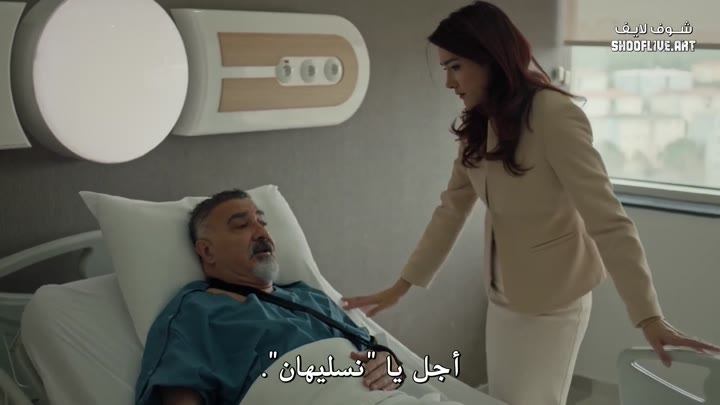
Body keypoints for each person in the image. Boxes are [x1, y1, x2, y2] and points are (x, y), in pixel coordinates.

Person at [341, 2, 720, 405]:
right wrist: (401, 287)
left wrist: (648, 316)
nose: (449, 82)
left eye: (456, 67)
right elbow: (451, 209)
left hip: (554, 301)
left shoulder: (553, 115)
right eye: (445, 69)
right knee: (504, 398)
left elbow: (608, 220)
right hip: (503, 294)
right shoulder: (478, 123)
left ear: (490, 58)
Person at [133, 190, 463, 405]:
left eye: (262, 222)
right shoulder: (195, 311)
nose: (262, 233)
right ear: (207, 251)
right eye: (241, 226)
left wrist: (388, 364)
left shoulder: (310, 297)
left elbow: (372, 350)